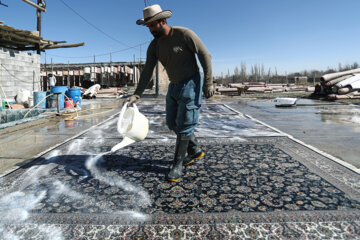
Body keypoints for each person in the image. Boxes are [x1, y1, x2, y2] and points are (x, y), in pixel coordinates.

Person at [127, 4, 214, 182]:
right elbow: (147, 70)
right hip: (174, 86)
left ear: (163, 21)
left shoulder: (184, 34)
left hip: (191, 83)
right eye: (148, 26)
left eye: (152, 25)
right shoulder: (154, 46)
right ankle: (195, 150)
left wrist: (208, 83)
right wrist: (137, 94)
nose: (149, 29)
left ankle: (177, 164)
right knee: (172, 123)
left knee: (184, 124)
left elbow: (205, 55)